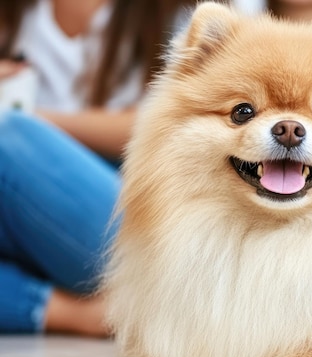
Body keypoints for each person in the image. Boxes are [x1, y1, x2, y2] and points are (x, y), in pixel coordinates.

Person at [0, 0, 198, 336]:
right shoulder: (15, 13)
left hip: (129, 214)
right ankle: (72, 312)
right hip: (28, 218)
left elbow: (174, 121)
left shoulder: (177, 14)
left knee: (11, 134)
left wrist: (31, 117)